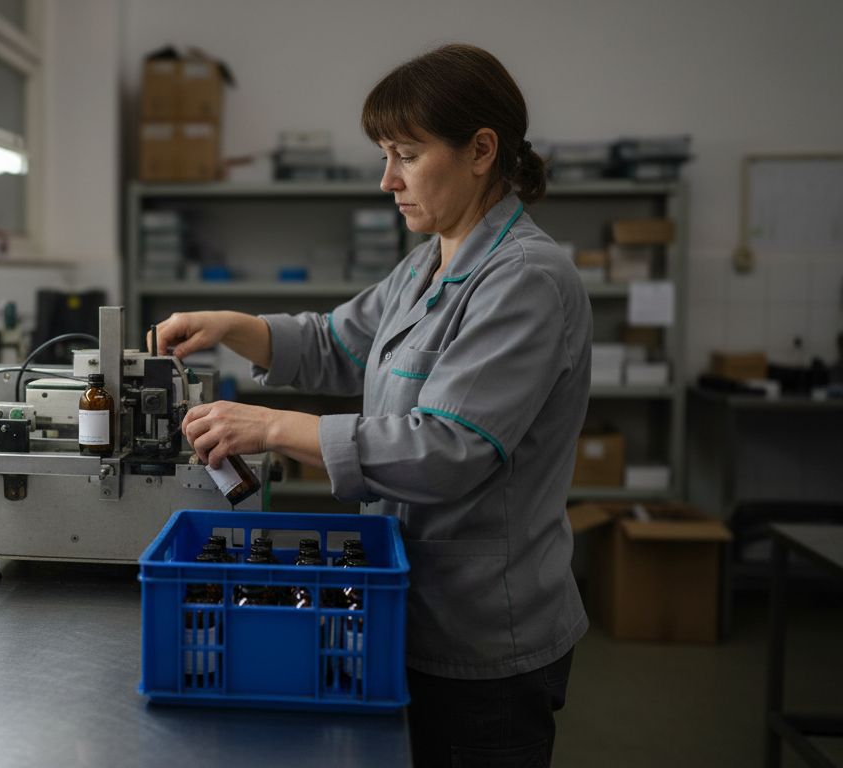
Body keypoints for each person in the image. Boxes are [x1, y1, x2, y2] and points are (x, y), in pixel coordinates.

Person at [151, 44, 591, 767]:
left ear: (481, 150)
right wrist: (237, 327)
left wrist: (271, 427)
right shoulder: (430, 258)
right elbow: (339, 343)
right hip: (409, 606)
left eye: (406, 155)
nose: (387, 180)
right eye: (386, 154)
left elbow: (448, 448)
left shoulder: (527, 280)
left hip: (484, 636)